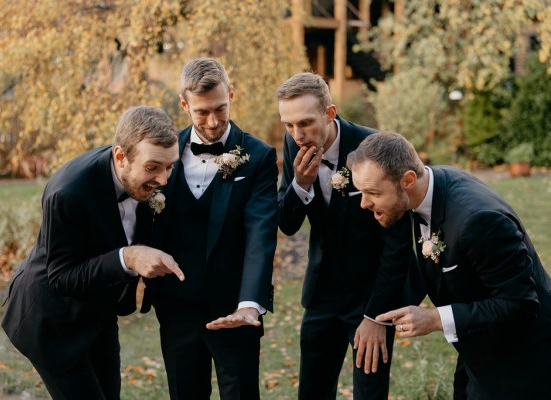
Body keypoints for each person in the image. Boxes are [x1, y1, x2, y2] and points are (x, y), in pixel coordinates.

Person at [347, 131, 551, 399]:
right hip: (477, 351)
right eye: (360, 192)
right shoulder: (428, 188)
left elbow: (521, 304)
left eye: (372, 192)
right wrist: (375, 317)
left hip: (522, 364)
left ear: (407, 179)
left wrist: (434, 319)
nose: (364, 203)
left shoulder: (479, 221)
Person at [1, 106, 184, 400]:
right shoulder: (68, 192)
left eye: (170, 167)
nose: (164, 180)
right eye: (153, 168)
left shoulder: (150, 178)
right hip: (52, 321)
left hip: (100, 314)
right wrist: (130, 257)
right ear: (121, 157)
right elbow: (62, 276)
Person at [141, 58, 278, 399]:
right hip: (176, 308)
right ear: (184, 104)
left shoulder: (258, 157)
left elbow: (261, 234)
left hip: (234, 307)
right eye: (201, 112)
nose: (213, 121)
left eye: (221, 108)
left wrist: (249, 305)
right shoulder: (163, 151)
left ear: (231, 95)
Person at [276, 72, 412, 400]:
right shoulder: (293, 142)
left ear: (329, 113)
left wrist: (376, 315)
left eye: (306, 122)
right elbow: (287, 223)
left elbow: (397, 243)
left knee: (369, 393)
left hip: (369, 297)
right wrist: (301, 184)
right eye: (288, 124)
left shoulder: (373, 148)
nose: (297, 134)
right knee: (312, 391)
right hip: (321, 295)